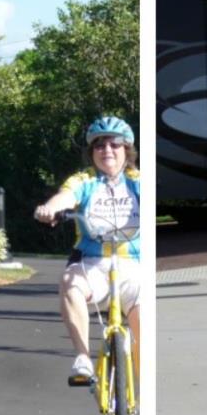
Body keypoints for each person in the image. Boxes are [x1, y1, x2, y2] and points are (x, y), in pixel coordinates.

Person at [34, 117, 142, 379]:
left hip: (133, 267)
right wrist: (51, 208)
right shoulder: (85, 180)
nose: (107, 150)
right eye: (99, 145)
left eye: (114, 144)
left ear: (126, 150)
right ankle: (83, 358)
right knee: (70, 282)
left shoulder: (137, 180)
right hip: (92, 265)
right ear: (91, 152)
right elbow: (66, 196)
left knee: (143, 330)